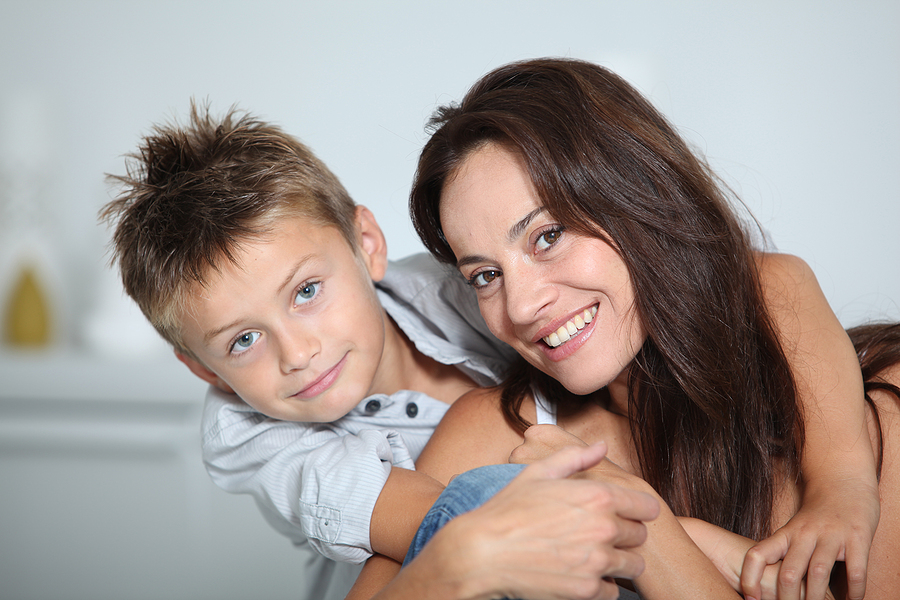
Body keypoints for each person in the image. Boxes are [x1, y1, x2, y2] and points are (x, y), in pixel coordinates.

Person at [99, 103, 659, 600]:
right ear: (202, 369)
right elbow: (448, 519)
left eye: (306, 292)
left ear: (367, 244)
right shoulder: (249, 434)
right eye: (243, 341)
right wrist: (693, 542)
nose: (297, 353)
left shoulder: (463, 285)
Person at [401, 58, 900, 599]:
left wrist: (652, 535)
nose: (519, 308)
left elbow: (771, 280)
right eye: (486, 275)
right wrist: (462, 558)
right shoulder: (496, 436)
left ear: (639, 197)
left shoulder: (879, 417)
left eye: (548, 236)